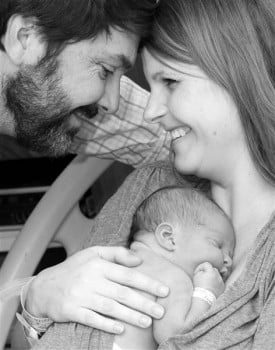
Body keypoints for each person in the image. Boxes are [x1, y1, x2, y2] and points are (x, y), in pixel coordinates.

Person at [27, 0, 275, 349]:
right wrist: (34, 301)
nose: (151, 110)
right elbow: (68, 329)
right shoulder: (150, 186)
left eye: (170, 82)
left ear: (239, 76)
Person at [0, 0, 174, 341]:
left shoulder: (68, 96)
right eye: (106, 72)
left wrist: (35, 294)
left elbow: (172, 139)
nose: (112, 102)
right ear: (26, 38)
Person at [105, 185, 235, 350]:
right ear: (169, 238)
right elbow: (177, 337)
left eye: (231, 253)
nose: (229, 261)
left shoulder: (120, 261)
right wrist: (207, 294)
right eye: (218, 245)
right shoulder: (173, 277)